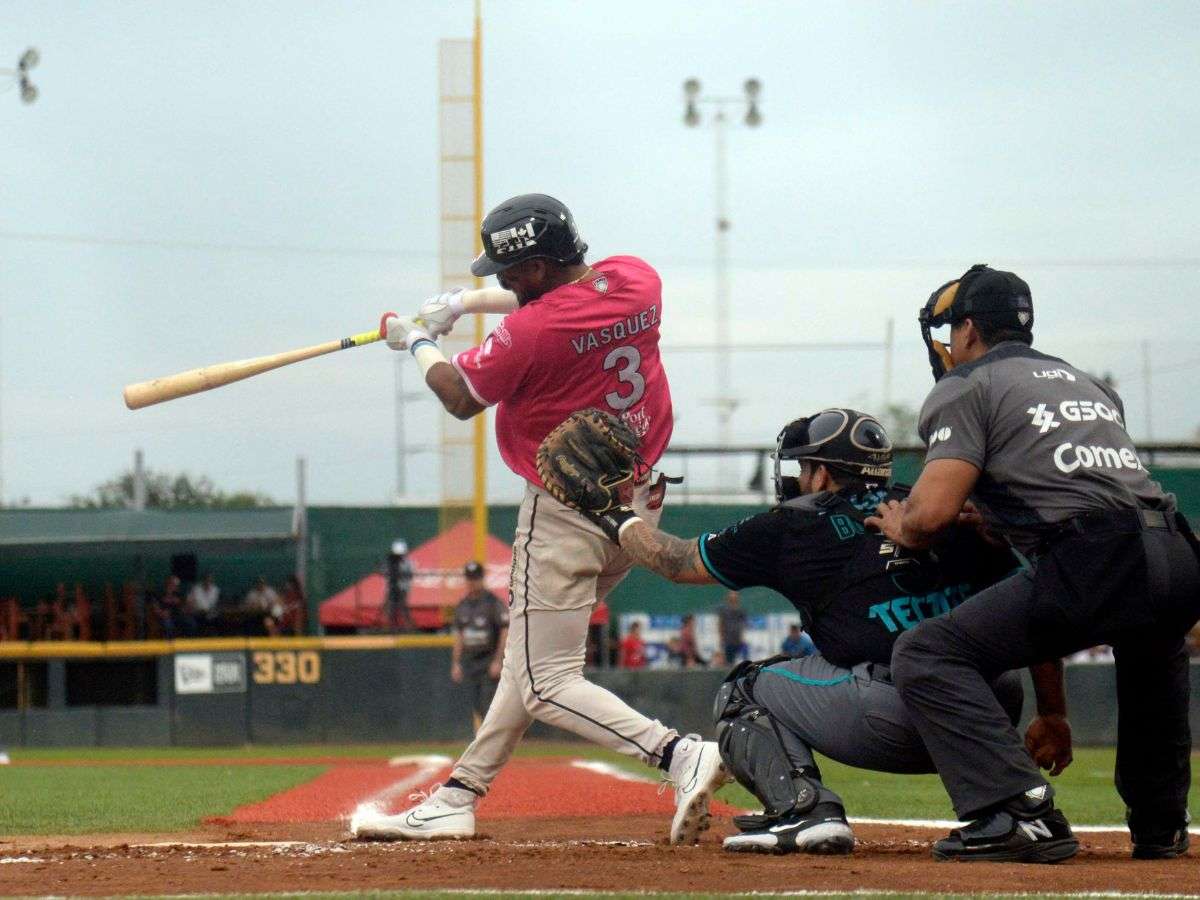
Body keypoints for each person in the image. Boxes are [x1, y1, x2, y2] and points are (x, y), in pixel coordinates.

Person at [358, 193, 725, 845]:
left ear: (532, 266)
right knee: (532, 661)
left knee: (545, 682)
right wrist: (466, 305)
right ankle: (459, 795)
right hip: (639, 497)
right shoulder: (636, 279)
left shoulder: (530, 332)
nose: (498, 279)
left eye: (504, 270)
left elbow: (459, 396)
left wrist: (415, 339)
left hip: (567, 509)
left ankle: (678, 755)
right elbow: (561, 306)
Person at [868, 264, 1200, 863]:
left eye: (950, 329)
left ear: (968, 328)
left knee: (926, 653)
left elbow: (930, 516)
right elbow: (1076, 491)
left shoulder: (965, 387)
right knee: (1153, 654)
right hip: (1175, 549)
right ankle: (1161, 826)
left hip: (1099, 555)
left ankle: (1017, 811)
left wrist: (902, 523)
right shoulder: (1088, 384)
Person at [607, 408, 1050, 854]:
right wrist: (1054, 714)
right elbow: (1031, 611)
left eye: (804, 468)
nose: (800, 478)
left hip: (895, 714)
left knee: (743, 690)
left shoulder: (794, 525)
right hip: (989, 709)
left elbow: (677, 561)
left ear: (821, 475)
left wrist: (616, 515)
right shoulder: (942, 511)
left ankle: (804, 811)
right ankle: (1010, 809)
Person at [451, 561, 509, 732]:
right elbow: (459, 636)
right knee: (476, 705)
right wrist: (456, 663)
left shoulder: (492, 603)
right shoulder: (462, 605)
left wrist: (498, 660)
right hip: (470, 661)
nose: (471, 582)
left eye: (475, 579)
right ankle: (487, 738)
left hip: (488, 659)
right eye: (469, 579)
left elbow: (504, 631)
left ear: (482, 579)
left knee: (487, 704)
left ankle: (492, 740)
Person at [717, 591, 748, 664]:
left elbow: (742, 626)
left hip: (738, 640)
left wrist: (742, 637)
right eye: (731, 598)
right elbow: (720, 624)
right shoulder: (724, 611)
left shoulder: (741, 611)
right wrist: (721, 637)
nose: (733, 600)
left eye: (735, 598)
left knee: (741, 658)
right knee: (729, 660)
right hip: (728, 639)